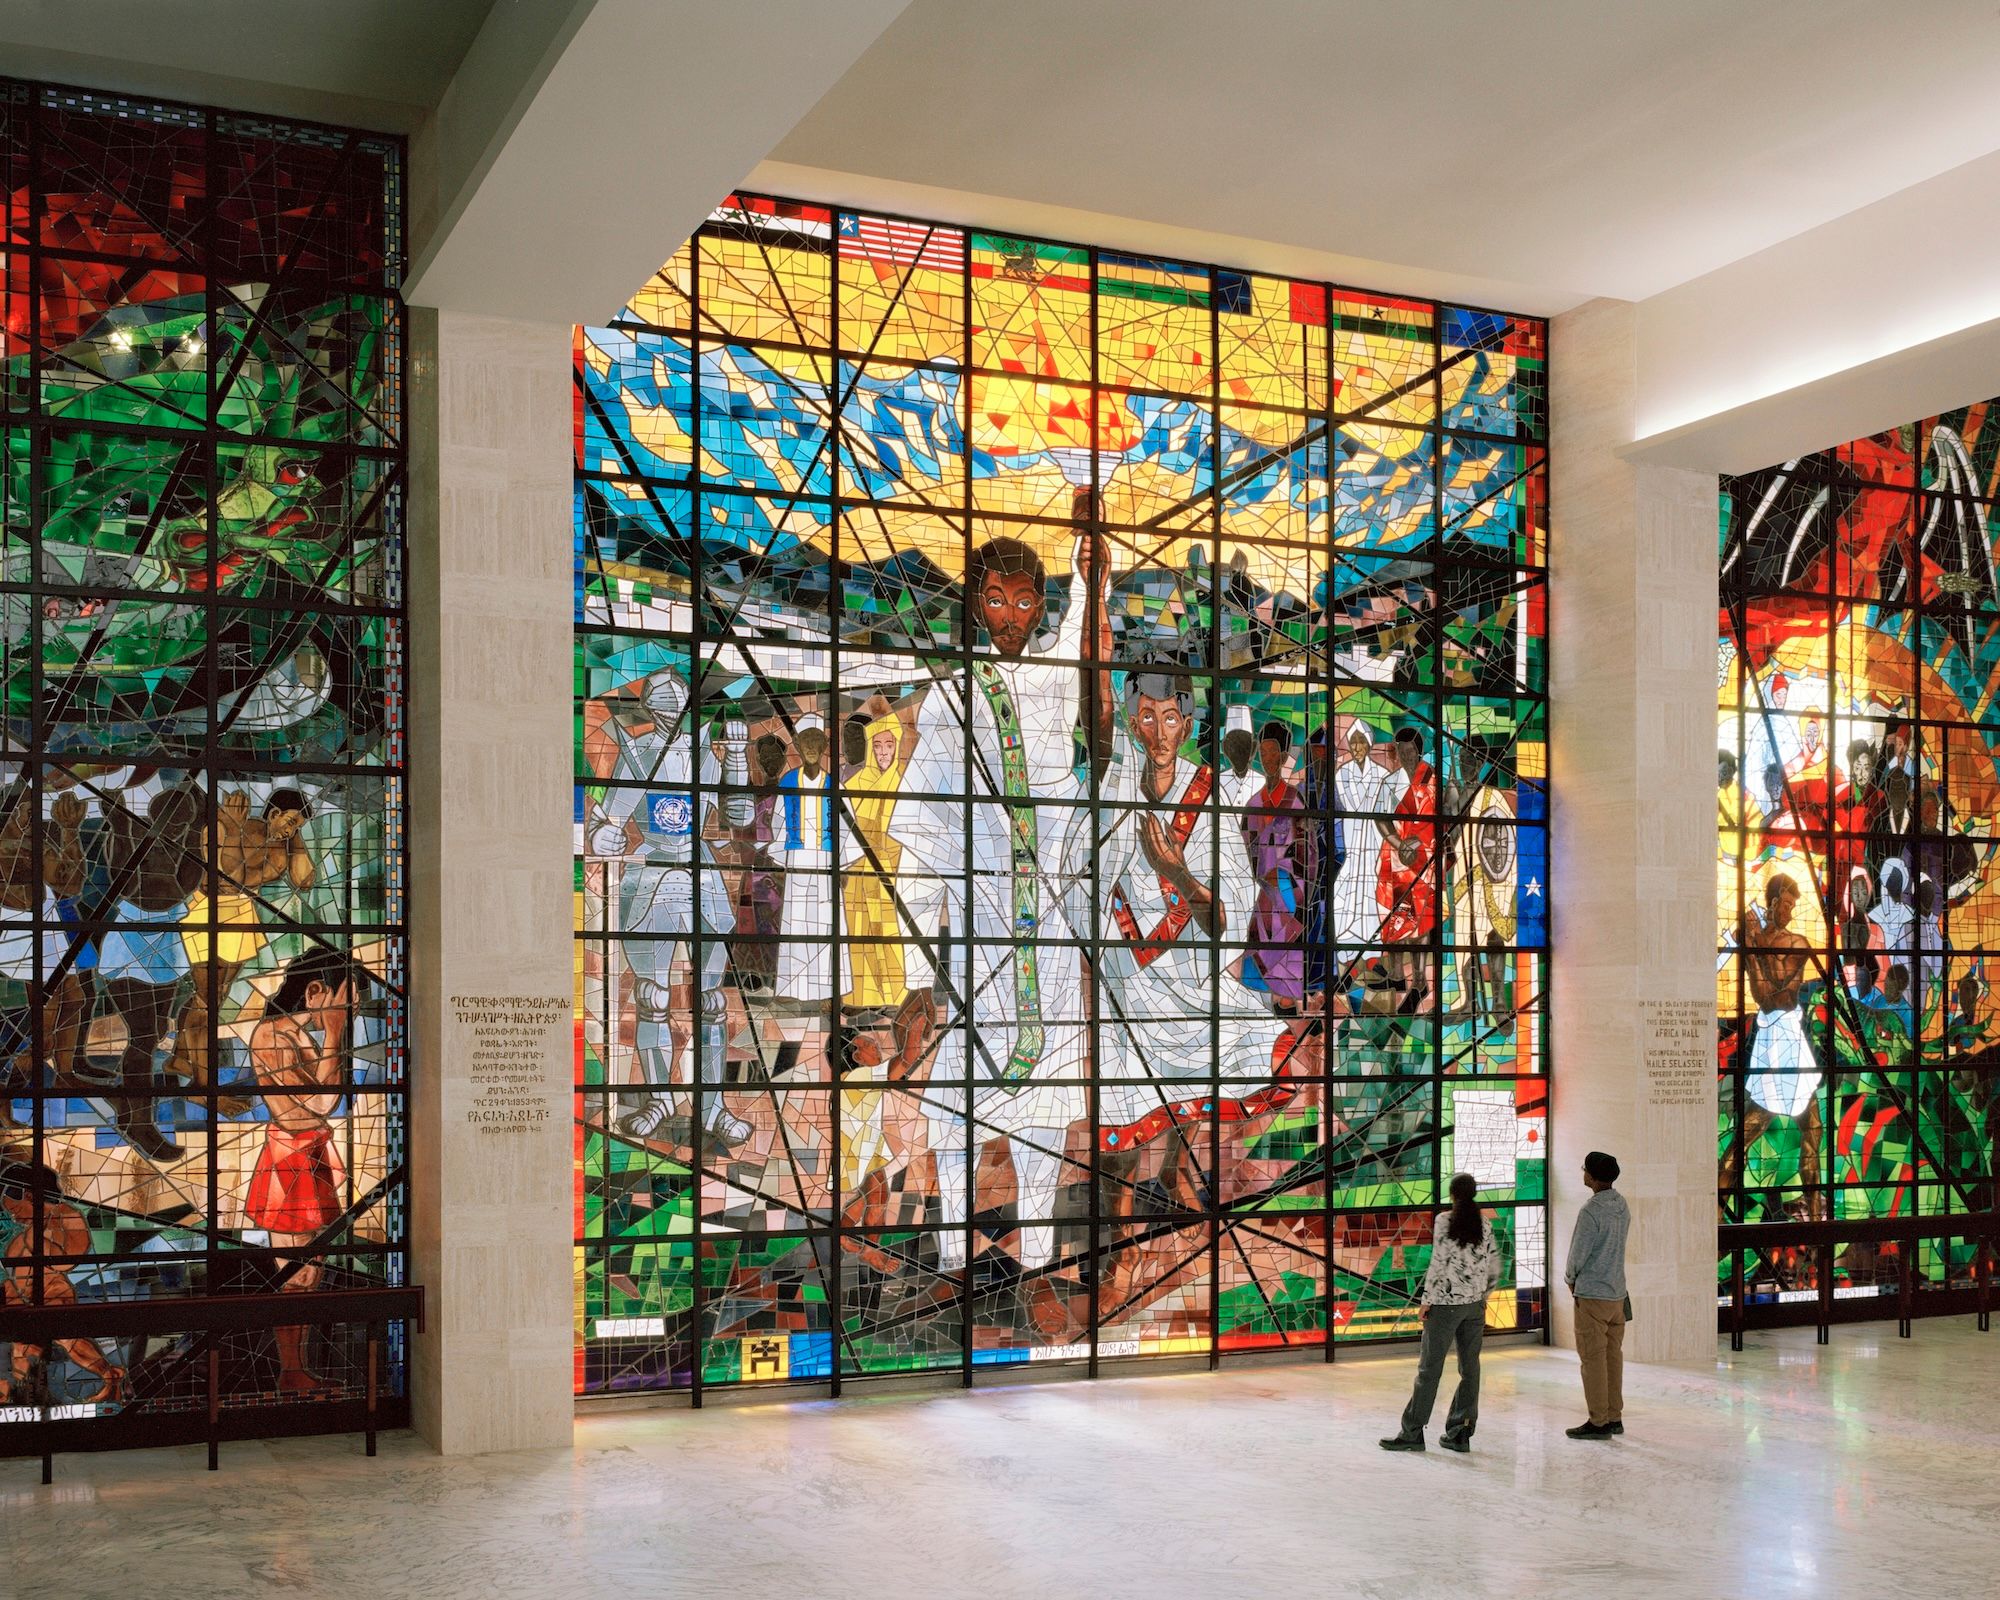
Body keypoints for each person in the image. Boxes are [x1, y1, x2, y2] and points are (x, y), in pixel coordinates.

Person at [584, 668, 753, 1145]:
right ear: (650, 709)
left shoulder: (704, 754)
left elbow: (739, 813)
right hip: (651, 873)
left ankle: (713, 1107)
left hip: (701, 873)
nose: (672, 713)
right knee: (652, 998)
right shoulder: (636, 754)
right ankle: (659, 1099)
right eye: (663, 705)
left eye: (679, 704)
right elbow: (608, 819)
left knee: (711, 1001)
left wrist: (737, 758)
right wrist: (603, 835)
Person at [246, 947, 357, 1397]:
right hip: (288, 1162)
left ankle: (297, 1369)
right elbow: (319, 1102)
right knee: (294, 1277)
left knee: (309, 1275)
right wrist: (334, 1034)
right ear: (314, 991)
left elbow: (321, 1101)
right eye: (344, 1000)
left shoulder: (295, 1035)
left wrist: (329, 1034)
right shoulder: (271, 1036)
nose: (349, 1010)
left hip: (308, 1156)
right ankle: (291, 1372)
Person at [1379, 1172, 1500, 1453]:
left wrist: (1427, 1301)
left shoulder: (1444, 1220)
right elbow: (1493, 1263)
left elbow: (1438, 1263)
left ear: (1452, 1194)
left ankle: (1412, 1432)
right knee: (1470, 1369)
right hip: (1474, 1306)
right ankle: (1460, 1432)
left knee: (1429, 1370)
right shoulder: (1484, 1223)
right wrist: (1483, 1296)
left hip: (1445, 1305)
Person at [0, 1153, 126, 1404]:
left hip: (52, 1292)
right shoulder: (24, 1237)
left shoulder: (66, 1216)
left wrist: (40, 1242)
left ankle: (111, 1377)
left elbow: (67, 1260)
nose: (14, 1217)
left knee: (69, 1339)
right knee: (21, 1351)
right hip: (22, 1302)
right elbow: (13, 1278)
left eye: (16, 1209)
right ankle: (17, 1397)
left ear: (30, 1196)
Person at [1237, 721, 1307, 1013]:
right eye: (1263, 753)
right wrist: (1255, 874)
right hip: (1260, 890)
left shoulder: (1295, 802)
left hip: (1288, 890)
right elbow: (1244, 849)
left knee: (1286, 943)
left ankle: (1288, 999)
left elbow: (1306, 850)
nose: (1267, 759)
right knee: (1259, 938)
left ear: (1284, 756)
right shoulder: (1253, 805)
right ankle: (1265, 1001)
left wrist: (1284, 875)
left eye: (1273, 752)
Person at [1565, 1149, 1630, 1440]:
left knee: (1592, 1359)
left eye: (1584, 1170)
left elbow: (1578, 1253)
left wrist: (1570, 1279)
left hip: (1592, 1294)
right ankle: (1614, 1417)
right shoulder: (1622, 1204)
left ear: (1591, 1177)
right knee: (1613, 1357)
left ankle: (1599, 1421)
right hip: (1617, 1293)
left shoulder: (1590, 1211)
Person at [776, 713, 835, 1008]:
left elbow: (846, 828)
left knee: (825, 925)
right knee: (795, 924)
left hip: (826, 861)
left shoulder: (833, 784)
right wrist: (780, 859)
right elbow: (777, 823)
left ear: (824, 745)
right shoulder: (788, 782)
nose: (811, 747)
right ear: (797, 746)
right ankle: (792, 987)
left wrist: (842, 865)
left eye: (816, 740)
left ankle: (825, 991)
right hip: (797, 857)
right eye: (805, 741)